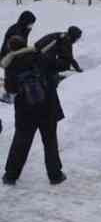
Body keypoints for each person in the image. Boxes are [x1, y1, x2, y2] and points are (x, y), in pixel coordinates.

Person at [1, 36, 66, 186]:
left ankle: (11, 175)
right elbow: (59, 66)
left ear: (11, 49)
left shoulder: (11, 65)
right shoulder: (38, 56)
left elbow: (10, 89)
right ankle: (55, 175)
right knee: (50, 141)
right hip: (47, 105)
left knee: (21, 142)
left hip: (26, 110)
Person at [0, 11, 36, 103]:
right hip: (9, 55)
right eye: (31, 23)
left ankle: (14, 91)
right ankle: (10, 94)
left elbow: (21, 46)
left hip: (16, 54)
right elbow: (13, 46)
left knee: (16, 73)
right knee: (11, 73)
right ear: (25, 21)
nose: (31, 26)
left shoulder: (23, 29)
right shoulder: (15, 31)